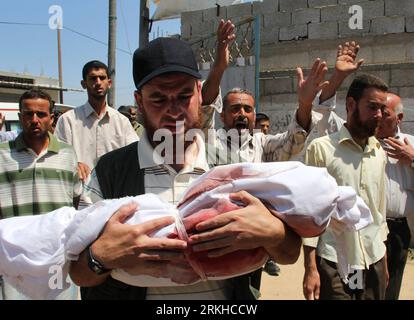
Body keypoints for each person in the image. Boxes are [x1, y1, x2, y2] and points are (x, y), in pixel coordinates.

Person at [69, 37, 302, 300]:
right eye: (158, 99)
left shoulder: (232, 170)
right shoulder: (111, 172)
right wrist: (101, 256)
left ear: (200, 93)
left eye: (184, 96)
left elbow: (290, 253)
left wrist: (273, 233)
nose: (174, 110)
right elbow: (78, 272)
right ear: (139, 101)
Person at [303, 74, 389, 300]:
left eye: (382, 108)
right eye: (372, 107)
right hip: (334, 260)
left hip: (373, 259)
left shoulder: (378, 151)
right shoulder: (321, 149)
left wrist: (384, 261)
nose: (379, 115)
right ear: (351, 105)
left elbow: (379, 212)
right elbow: (311, 214)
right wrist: (310, 268)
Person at [0, 89, 82, 299]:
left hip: (58, 261)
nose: (34, 120)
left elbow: (75, 202)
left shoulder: (67, 154)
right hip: (15, 264)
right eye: (28, 114)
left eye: (41, 114)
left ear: (51, 118)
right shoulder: (2, 155)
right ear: (20, 117)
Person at [55, 60, 138, 181]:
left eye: (102, 78)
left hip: (114, 194)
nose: (98, 82)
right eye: (93, 78)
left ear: (109, 83)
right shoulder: (68, 120)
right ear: (84, 84)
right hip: (81, 194)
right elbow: (57, 157)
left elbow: (134, 156)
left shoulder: (121, 122)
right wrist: (73, 165)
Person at [376, 93, 414, 300]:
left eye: (386, 113)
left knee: (391, 288)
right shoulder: (362, 144)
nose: (379, 117)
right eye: (377, 111)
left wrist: (412, 159)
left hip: (400, 230)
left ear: (399, 118)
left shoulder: (412, 145)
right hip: (370, 227)